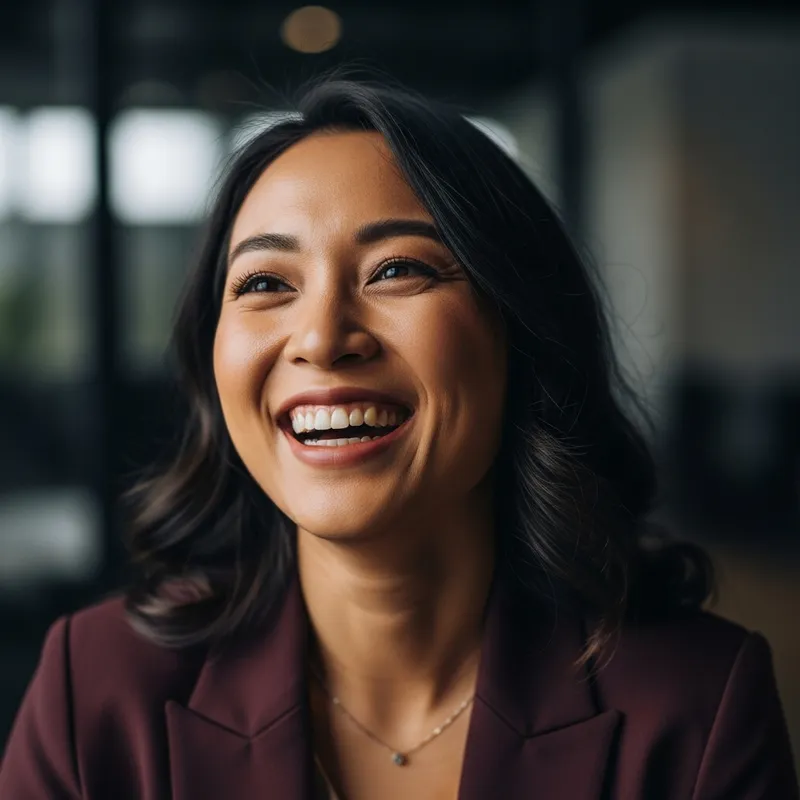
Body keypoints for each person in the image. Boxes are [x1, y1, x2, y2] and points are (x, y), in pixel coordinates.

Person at [1, 75, 797, 800]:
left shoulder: (698, 706)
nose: (322, 338)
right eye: (266, 283)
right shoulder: (96, 689)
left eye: (396, 270)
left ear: (522, 332)